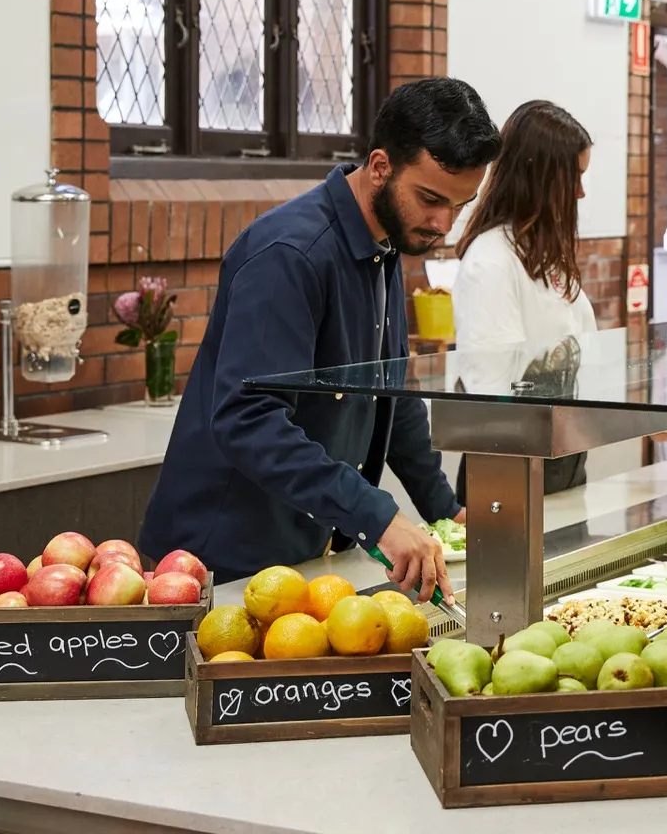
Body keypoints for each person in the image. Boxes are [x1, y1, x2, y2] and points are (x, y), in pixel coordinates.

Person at [137, 78, 501, 597]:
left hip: (304, 553)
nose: (443, 223)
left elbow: (390, 399)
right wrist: (377, 516)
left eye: (459, 206)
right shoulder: (290, 253)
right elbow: (249, 420)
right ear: (380, 167)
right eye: (430, 199)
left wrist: (448, 512)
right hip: (219, 561)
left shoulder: (389, 242)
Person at [451, 100, 599, 498]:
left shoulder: (546, 255)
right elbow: (492, 396)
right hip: (510, 469)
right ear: (541, 177)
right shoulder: (492, 261)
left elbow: (585, 354)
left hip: (564, 460)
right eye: (576, 177)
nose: (582, 193)